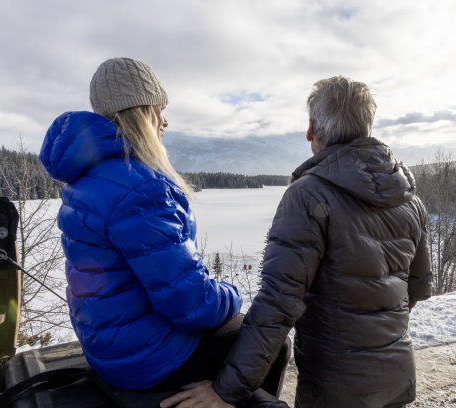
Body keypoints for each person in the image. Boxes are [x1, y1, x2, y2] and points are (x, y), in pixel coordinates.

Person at [161, 76, 432, 408]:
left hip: (336, 386)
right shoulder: (409, 199)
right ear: (367, 128)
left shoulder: (309, 195)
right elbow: (418, 288)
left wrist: (225, 391)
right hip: (398, 377)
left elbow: (277, 305)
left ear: (311, 131)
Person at [39, 57, 280, 394]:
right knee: (268, 345)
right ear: (141, 113)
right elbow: (190, 305)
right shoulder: (140, 187)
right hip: (147, 360)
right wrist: (233, 294)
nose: (165, 121)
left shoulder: (87, 178)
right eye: (159, 110)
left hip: (108, 349)